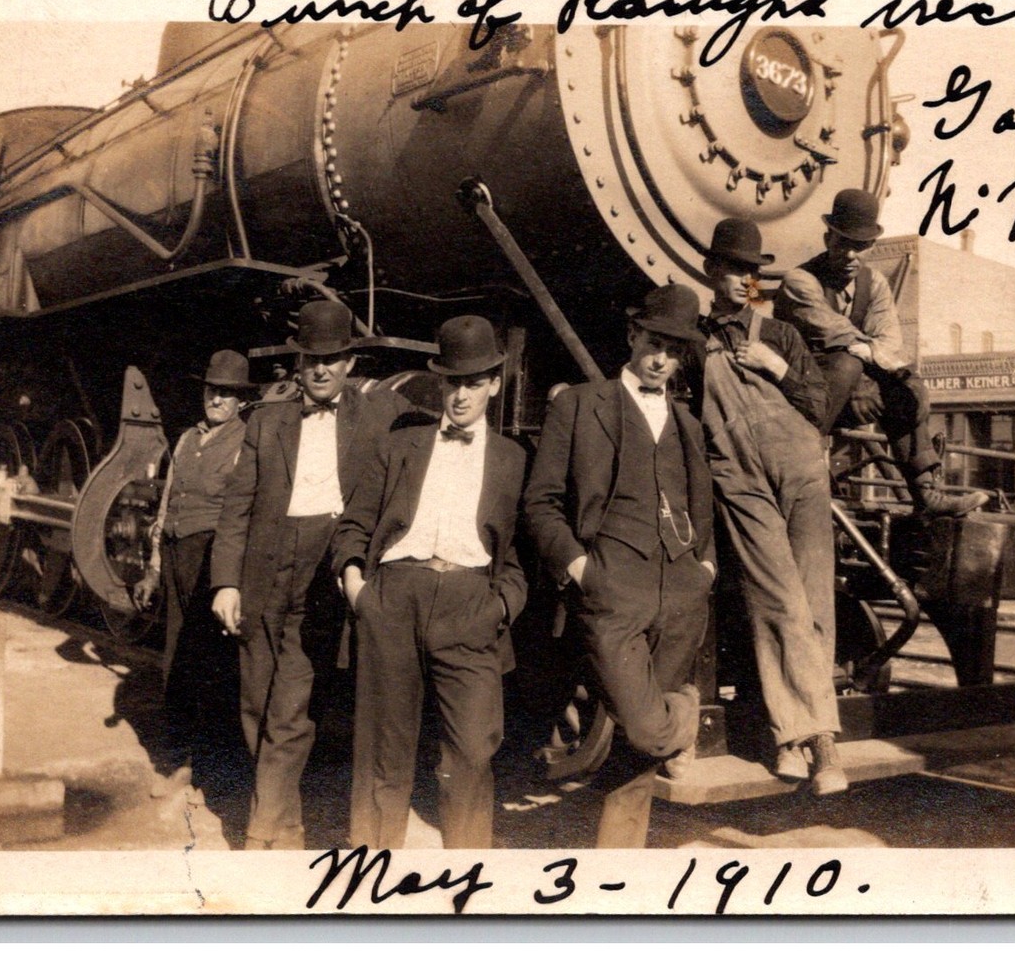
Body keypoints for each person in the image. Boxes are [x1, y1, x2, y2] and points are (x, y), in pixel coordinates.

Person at [209, 300, 409, 849]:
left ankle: (258, 832)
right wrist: (226, 581)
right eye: (311, 360)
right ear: (298, 364)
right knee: (255, 703)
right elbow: (237, 508)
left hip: (323, 570)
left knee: (290, 706)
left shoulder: (381, 414)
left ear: (351, 363)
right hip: (262, 569)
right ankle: (289, 826)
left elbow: (429, 438)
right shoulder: (265, 422)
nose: (321, 369)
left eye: (333, 359)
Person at [523, 283, 711, 843]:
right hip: (610, 591)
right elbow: (542, 501)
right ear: (633, 336)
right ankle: (686, 713)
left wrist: (705, 571)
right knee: (644, 727)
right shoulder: (580, 405)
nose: (660, 360)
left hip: (679, 593)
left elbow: (703, 508)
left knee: (637, 758)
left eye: (674, 351)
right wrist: (579, 568)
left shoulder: (688, 425)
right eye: (654, 343)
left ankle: (617, 864)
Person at [331, 315, 528, 850]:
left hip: (471, 605)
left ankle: (468, 875)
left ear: (494, 383)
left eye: (472, 382)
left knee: (471, 751)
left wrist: (500, 607)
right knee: (384, 752)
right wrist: (359, 591)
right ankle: (369, 873)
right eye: (451, 382)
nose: (460, 395)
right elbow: (354, 526)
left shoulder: (513, 461)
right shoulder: (402, 445)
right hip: (393, 597)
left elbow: (519, 556)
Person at [697, 218, 846, 795]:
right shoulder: (694, 341)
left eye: (752, 272)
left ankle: (791, 740)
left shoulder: (778, 334)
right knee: (777, 600)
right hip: (739, 475)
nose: (743, 280)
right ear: (713, 271)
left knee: (814, 603)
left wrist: (777, 368)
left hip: (801, 470)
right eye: (733, 269)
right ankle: (821, 744)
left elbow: (818, 405)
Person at [773, 188, 988, 517]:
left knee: (903, 391)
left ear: (871, 246)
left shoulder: (874, 285)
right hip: (800, 401)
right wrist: (870, 351)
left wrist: (885, 363)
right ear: (827, 237)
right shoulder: (799, 281)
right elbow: (834, 330)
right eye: (843, 242)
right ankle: (806, 467)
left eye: (860, 246)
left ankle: (926, 495)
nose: (850, 255)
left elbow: (889, 342)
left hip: (847, 398)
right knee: (847, 360)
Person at [133, 350, 256, 799]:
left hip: (214, 557)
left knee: (214, 664)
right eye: (212, 391)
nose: (217, 400)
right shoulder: (186, 439)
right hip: (177, 554)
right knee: (176, 657)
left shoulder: (247, 442)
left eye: (227, 394)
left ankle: (215, 768)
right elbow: (167, 502)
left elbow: (243, 512)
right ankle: (176, 754)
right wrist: (153, 567)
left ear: (241, 401)